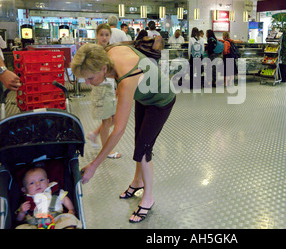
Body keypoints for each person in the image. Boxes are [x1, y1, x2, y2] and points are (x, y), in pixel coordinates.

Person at [71, 42, 176, 223]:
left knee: (143, 150)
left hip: (161, 100)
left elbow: (118, 130)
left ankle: (148, 198)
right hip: (144, 96)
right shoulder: (107, 53)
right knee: (139, 142)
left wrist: (94, 165)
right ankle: (137, 182)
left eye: (89, 78)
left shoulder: (127, 80)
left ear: (104, 68)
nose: (87, 83)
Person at [86, 24, 121, 159]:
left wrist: (117, 85)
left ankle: (94, 134)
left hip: (109, 88)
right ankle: (106, 151)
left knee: (113, 118)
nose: (104, 37)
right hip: (101, 90)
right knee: (107, 121)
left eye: (107, 35)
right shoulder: (95, 51)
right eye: (102, 35)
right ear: (96, 35)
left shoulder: (108, 50)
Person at [16, 167, 81, 229]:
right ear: (24, 189)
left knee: (69, 221)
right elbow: (19, 220)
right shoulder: (27, 201)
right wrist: (22, 212)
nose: (38, 183)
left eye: (41, 180)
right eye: (32, 183)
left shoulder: (54, 191)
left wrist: (71, 209)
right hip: (36, 224)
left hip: (57, 219)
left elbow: (65, 199)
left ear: (47, 181)